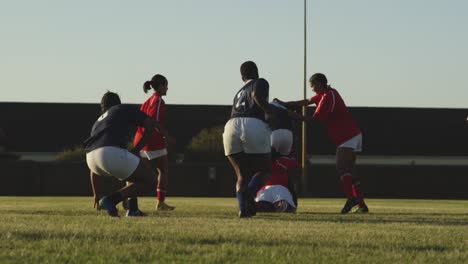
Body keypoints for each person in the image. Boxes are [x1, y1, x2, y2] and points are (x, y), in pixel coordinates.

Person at [275, 73, 369, 214]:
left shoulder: (327, 97)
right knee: (350, 171)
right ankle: (361, 205)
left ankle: (351, 199)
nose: (312, 89)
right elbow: (306, 102)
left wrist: (289, 114)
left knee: (342, 168)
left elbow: (312, 119)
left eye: (312, 86)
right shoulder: (329, 93)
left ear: (319, 84)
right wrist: (284, 104)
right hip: (352, 134)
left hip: (347, 136)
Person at [84, 91, 159, 217]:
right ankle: (112, 200)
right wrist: (137, 149)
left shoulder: (98, 122)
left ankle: (132, 209)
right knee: (151, 180)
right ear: (118, 102)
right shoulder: (121, 109)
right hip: (110, 153)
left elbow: (97, 153)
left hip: (91, 160)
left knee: (134, 173)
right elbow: (150, 125)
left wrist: (96, 193)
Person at [222, 61, 275, 218]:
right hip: (253, 123)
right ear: (257, 72)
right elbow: (257, 96)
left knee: (241, 175)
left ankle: (244, 209)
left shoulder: (238, 92)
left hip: (231, 125)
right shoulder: (261, 82)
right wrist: (271, 111)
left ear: (242, 77)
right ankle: (248, 196)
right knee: (265, 169)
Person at [133, 74, 175, 211]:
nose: (167, 88)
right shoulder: (158, 101)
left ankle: (128, 199)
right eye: (166, 85)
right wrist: (167, 135)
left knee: (137, 173)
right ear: (161, 86)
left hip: (140, 140)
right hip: (152, 140)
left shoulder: (147, 101)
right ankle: (160, 202)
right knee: (163, 170)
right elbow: (155, 122)